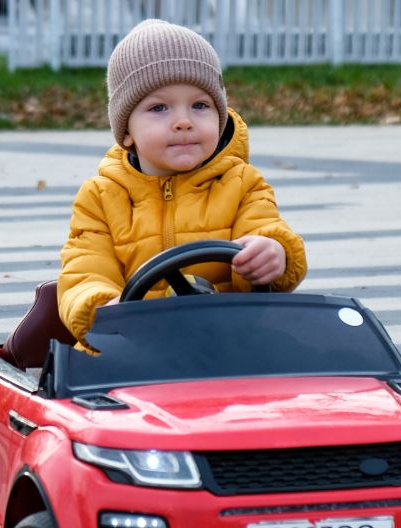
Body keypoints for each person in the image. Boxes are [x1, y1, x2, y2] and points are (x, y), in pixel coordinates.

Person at [58, 18, 307, 349]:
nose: (184, 122)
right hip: (130, 346)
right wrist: (103, 309)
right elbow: (84, 272)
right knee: (89, 367)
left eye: (200, 106)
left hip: (230, 342)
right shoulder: (101, 197)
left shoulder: (243, 184)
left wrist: (273, 254)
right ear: (127, 131)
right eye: (159, 107)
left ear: (219, 118)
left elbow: (265, 228)